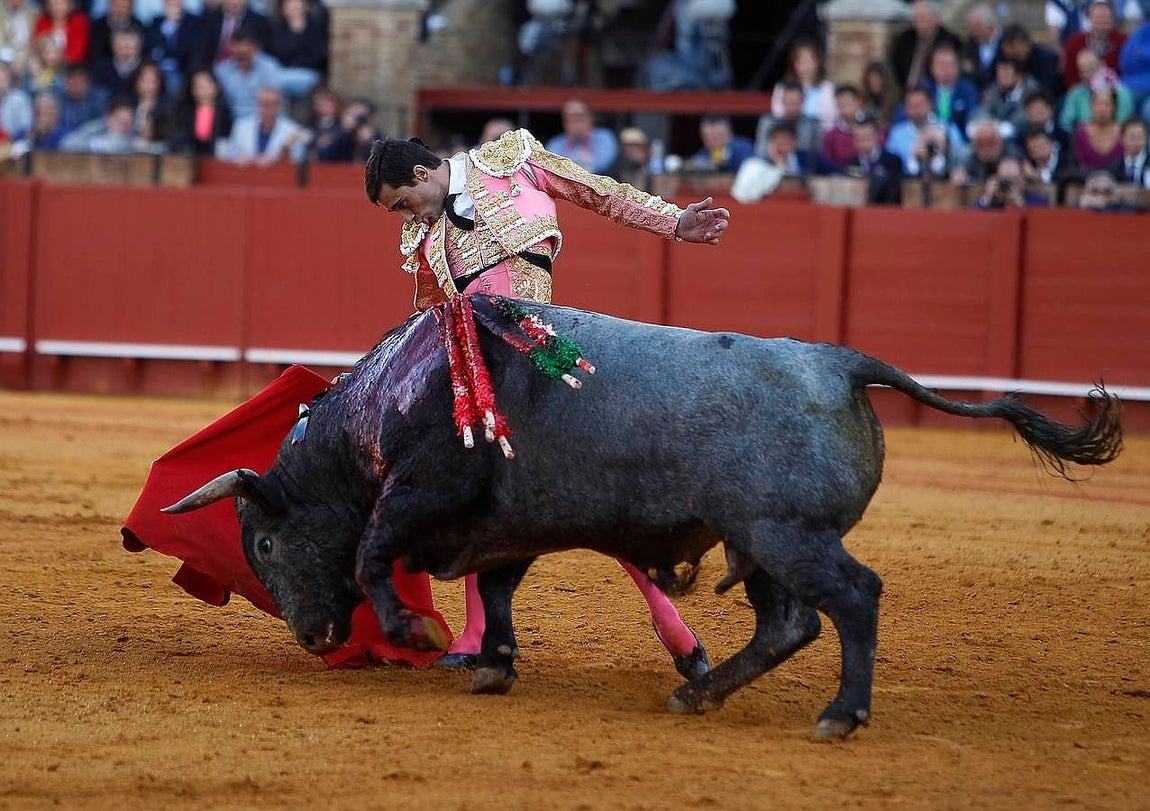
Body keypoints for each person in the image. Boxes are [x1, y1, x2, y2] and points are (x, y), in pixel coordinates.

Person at [362, 128, 728, 667]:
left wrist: (674, 222)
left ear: (420, 175)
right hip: (480, 370)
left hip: (543, 347)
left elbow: (599, 192)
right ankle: (477, 633)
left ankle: (669, 620)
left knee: (601, 481)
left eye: (401, 203)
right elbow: (424, 324)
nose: (405, 216)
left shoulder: (512, 159)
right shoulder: (419, 238)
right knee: (475, 480)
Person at [885, 85, 964, 179]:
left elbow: (960, 159)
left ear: (930, 105)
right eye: (911, 106)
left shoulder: (949, 129)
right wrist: (914, 157)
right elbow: (891, 166)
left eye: (919, 105)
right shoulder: (896, 134)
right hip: (907, 185)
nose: (915, 110)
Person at [217, 84, 306, 164]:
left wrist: (277, 159)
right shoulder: (241, 126)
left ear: (279, 106)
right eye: (262, 103)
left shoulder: (293, 129)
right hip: (246, 175)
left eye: (271, 104)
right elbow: (230, 156)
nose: (266, 108)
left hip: (278, 178)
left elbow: (298, 161)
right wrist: (240, 158)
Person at [889, 0, 962, 92]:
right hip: (905, 91)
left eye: (924, 18)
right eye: (917, 18)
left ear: (936, 18)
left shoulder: (950, 40)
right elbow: (895, 66)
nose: (920, 22)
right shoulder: (904, 39)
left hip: (935, 93)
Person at [214, 24, 280, 120]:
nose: (241, 51)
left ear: (255, 47)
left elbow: (274, 99)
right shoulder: (222, 70)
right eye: (237, 48)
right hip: (231, 123)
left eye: (246, 48)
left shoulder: (269, 67)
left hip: (262, 120)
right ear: (230, 47)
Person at [1059, 48, 1135, 130]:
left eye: (1090, 69)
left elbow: (1123, 122)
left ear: (1102, 64)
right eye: (1082, 71)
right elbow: (1065, 123)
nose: (1086, 75)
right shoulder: (1076, 93)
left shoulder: (1122, 92)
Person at [266, 0, 325, 105]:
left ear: (305, 8)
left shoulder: (314, 27)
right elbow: (277, 53)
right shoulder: (277, 28)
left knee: (275, 82)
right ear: (283, 10)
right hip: (282, 72)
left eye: (297, 8)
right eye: (290, 8)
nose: (294, 11)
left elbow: (317, 56)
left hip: (308, 73)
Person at [769, 37, 835, 129]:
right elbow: (778, 115)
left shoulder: (827, 88)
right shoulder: (782, 87)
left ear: (817, 63)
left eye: (809, 61)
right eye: (801, 62)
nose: (805, 66)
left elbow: (829, 121)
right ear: (794, 64)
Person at [972, 55, 1041, 141]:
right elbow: (982, 110)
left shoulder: (1032, 91)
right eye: (999, 74)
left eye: (1005, 74)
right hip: (996, 136)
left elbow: (1025, 117)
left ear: (1019, 75)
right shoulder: (994, 89)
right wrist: (987, 126)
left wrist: (997, 129)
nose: (1000, 79)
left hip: (1025, 137)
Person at [144, 0, 203, 98]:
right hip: (157, 67)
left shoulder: (193, 21)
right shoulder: (157, 21)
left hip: (181, 68)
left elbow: (188, 48)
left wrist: (173, 27)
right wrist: (167, 26)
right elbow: (150, 45)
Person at [1063, 0, 1127, 88]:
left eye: (1106, 17)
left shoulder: (1123, 42)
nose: (1102, 20)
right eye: (1098, 17)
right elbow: (1069, 74)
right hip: (1081, 92)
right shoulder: (1075, 43)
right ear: (1089, 18)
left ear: (1113, 19)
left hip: (1114, 91)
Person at [921, 42, 980, 138]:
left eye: (950, 65)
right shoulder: (923, 88)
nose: (946, 70)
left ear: (958, 67)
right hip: (927, 136)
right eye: (941, 65)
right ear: (932, 68)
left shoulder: (968, 89)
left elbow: (973, 117)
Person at [543, 97, 616, 174]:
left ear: (590, 118)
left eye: (579, 118)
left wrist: (568, 163)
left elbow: (601, 164)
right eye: (570, 120)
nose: (575, 124)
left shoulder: (604, 137)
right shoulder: (556, 143)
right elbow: (549, 167)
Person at [755, 79, 821, 159]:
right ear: (783, 102)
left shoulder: (812, 124)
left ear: (803, 102)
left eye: (795, 103)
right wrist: (777, 153)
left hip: (802, 168)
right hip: (770, 165)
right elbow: (760, 152)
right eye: (789, 103)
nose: (792, 108)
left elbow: (817, 154)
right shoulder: (768, 122)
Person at [843, 115, 902, 205]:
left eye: (867, 138)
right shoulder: (850, 164)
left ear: (876, 136)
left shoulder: (893, 161)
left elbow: (895, 194)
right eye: (859, 139)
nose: (863, 143)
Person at [170, 66, 230, 154]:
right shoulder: (184, 111)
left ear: (216, 88)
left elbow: (225, 140)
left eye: (206, 85)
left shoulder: (224, 112)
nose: (202, 90)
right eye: (198, 86)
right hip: (191, 157)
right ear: (192, 90)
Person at [998, 22, 1062, 97]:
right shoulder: (1003, 58)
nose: (1011, 57)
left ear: (1026, 44)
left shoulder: (1045, 60)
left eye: (1014, 51)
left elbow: (1048, 90)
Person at [198, 0, 268, 66]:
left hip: (245, 71)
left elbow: (261, 54)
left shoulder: (260, 22)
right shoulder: (209, 18)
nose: (233, 2)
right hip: (212, 69)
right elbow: (199, 51)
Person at [314, 95, 378, 163]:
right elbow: (323, 157)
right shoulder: (334, 131)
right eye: (353, 115)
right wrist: (345, 132)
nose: (357, 121)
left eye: (361, 117)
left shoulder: (375, 136)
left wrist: (370, 142)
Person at [972, 154, 1051, 209]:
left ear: (1023, 180)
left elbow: (1039, 224)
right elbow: (972, 222)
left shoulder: (1038, 202)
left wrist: (1019, 204)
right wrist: (986, 198)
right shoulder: (990, 201)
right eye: (1004, 179)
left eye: (1013, 179)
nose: (1008, 184)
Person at [1073, 87, 1125, 169]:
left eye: (1107, 105)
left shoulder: (1124, 131)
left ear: (1114, 107)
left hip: (1119, 179)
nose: (1103, 109)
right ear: (1091, 106)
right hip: (1085, 178)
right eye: (1098, 104)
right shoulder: (1080, 132)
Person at [687, 114, 753, 173]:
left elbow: (749, 170)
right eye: (707, 138)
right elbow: (693, 163)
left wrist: (721, 164)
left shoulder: (742, 147)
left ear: (729, 133)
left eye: (717, 137)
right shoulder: (705, 152)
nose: (712, 142)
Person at [819, 84, 862, 170]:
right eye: (841, 105)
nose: (845, 109)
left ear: (858, 102)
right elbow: (827, 163)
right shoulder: (831, 135)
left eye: (848, 103)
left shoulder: (873, 128)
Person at [961, 3, 1003, 91]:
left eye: (976, 29)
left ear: (989, 27)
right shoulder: (970, 43)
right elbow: (966, 67)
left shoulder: (1005, 42)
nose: (973, 32)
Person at [88, 0, 143, 66]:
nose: (120, 10)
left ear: (131, 8)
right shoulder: (98, 27)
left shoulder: (140, 27)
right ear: (110, 6)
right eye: (117, 6)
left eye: (124, 7)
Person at [54, 61, 105, 132]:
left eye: (77, 83)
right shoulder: (59, 96)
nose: (74, 88)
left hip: (88, 136)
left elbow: (101, 123)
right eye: (70, 83)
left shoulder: (98, 98)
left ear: (87, 82)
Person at [91, 26, 142, 96]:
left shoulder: (145, 68)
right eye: (122, 47)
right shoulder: (102, 68)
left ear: (138, 47)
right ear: (113, 47)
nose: (126, 52)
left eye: (129, 47)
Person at [0, 0, 42, 81]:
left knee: (36, 66)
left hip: (30, 54)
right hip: (6, 57)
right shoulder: (1, 13)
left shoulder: (33, 11)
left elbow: (38, 37)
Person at [1106, 117, 1150, 185]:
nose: (1137, 141)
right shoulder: (1113, 168)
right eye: (1132, 137)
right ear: (1122, 139)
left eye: (1140, 137)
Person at [609, 125, 652, 192]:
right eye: (628, 147)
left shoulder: (650, 172)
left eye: (637, 147)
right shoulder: (614, 172)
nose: (633, 151)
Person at [1077, 167, 1147, 209]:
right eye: (1095, 191)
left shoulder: (1125, 211)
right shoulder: (1074, 209)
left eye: (1107, 191)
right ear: (1085, 193)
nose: (1101, 196)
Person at [860, 60, 899, 130]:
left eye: (878, 79)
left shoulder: (896, 104)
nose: (874, 83)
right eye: (871, 79)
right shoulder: (866, 101)